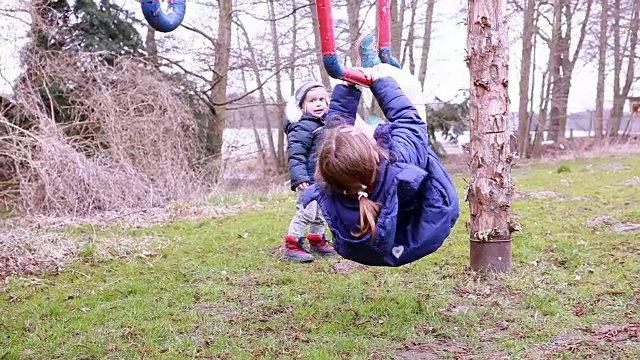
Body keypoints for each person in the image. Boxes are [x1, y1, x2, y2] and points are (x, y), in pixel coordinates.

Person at [301, 32, 460, 267]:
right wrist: (379, 83)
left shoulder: (333, 184)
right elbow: (409, 120)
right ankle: (379, 68)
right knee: (412, 92)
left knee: (353, 136)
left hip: (381, 245)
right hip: (425, 224)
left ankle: (378, 83)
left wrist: (348, 89)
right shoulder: (401, 161)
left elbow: (333, 132)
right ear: (375, 152)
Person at [281, 81, 339, 262]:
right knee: (306, 211)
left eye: (322, 99)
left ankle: (317, 240)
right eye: (313, 101)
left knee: (321, 212)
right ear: (302, 106)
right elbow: (296, 155)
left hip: (322, 179)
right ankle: (292, 245)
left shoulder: (324, 123)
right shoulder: (302, 127)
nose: (319, 104)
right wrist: (299, 178)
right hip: (307, 179)